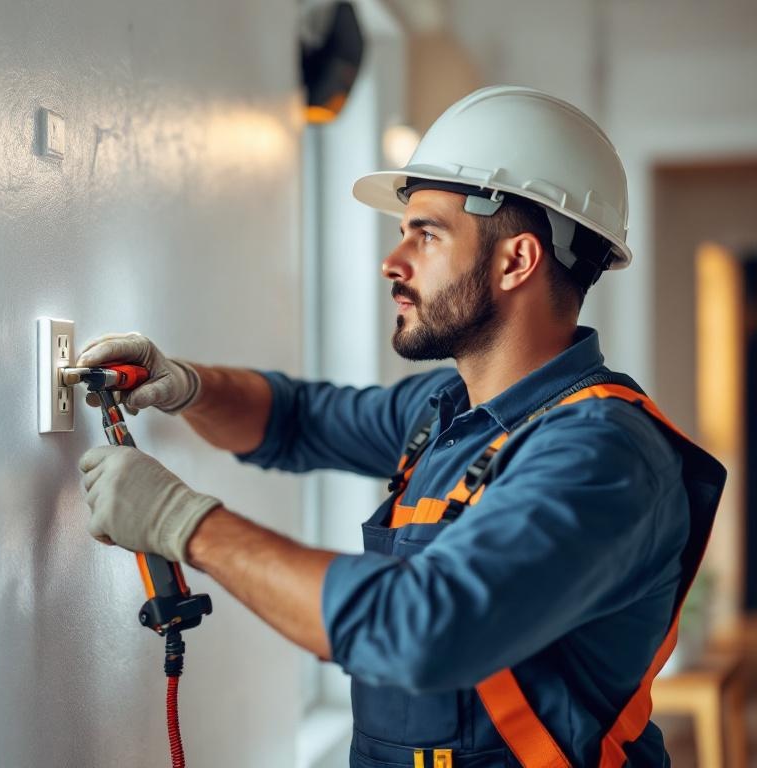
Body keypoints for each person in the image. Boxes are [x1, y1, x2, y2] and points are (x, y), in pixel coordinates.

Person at [77, 86, 725, 767]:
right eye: (403, 232)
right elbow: (295, 418)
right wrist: (185, 384)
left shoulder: (602, 455)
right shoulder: (446, 412)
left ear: (516, 261)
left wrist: (184, 522)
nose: (394, 261)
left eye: (428, 233)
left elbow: (424, 629)